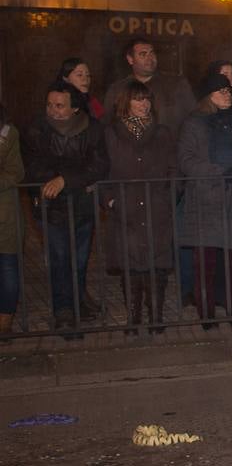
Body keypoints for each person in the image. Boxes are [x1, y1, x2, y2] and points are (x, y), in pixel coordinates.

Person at [178, 70, 232, 328]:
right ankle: (206, 313)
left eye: (229, 91)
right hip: (207, 199)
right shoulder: (194, 123)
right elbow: (186, 160)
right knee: (205, 262)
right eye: (221, 91)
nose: (227, 95)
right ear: (208, 96)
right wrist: (220, 172)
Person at [24, 81, 108, 331]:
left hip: (82, 207)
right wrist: (70, 179)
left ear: (74, 108)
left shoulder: (92, 129)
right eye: (49, 105)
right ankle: (63, 311)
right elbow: (32, 166)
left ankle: (77, 302)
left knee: (80, 260)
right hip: (51, 208)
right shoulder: (37, 130)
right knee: (60, 258)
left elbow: (99, 165)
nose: (53, 110)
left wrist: (65, 180)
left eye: (59, 106)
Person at [101, 80, 177, 334]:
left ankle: (156, 316)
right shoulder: (111, 133)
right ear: (125, 102)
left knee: (156, 263)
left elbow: (173, 168)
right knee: (130, 264)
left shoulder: (162, 132)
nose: (144, 104)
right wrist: (110, 200)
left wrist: (170, 195)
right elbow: (102, 170)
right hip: (126, 207)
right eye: (138, 99)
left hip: (156, 206)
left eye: (146, 99)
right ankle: (133, 318)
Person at [103, 38, 196, 134]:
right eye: (143, 54)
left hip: (170, 146)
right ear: (130, 59)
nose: (150, 58)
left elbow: (194, 120)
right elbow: (107, 125)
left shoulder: (177, 84)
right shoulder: (117, 90)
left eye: (152, 53)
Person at [0, 103, 22, 336]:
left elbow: (16, 171)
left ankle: (4, 322)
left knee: (7, 266)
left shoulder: (7, 133)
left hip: (4, 212)